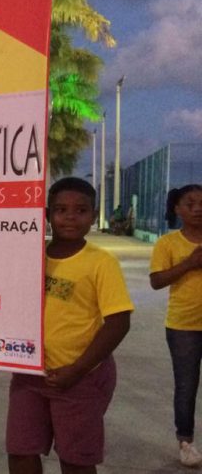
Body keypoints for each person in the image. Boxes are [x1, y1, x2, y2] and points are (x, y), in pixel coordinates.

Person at [7, 177, 133, 474]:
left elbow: (118, 322)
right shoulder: (29, 256)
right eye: (61, 210)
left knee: (76, 460)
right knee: (20, 452)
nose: (70, 218)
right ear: (48, 214)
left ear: (93, 214)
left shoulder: (101, 263)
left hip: (80, 379)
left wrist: (76, 370)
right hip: (30, 375)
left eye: (81, 210)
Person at [149, 184, 202, 466]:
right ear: (177, 209)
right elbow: (156, 281)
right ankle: (186, 442)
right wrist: (190, 263)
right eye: (190, 203)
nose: (198, 208)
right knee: (186, 385)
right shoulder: (167, 244)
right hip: (184, 326)